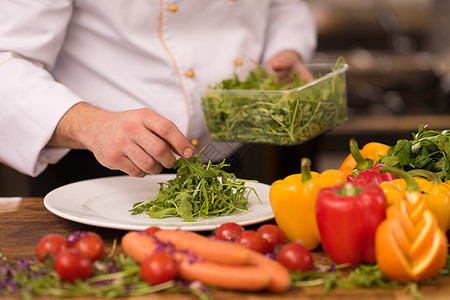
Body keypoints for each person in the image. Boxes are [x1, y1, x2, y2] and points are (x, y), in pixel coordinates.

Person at [0, 0, 317, 195]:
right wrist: (92, 125)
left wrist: (284, 49)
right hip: (96, 176)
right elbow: (6, 57)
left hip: (227, 167)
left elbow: (282, 5)